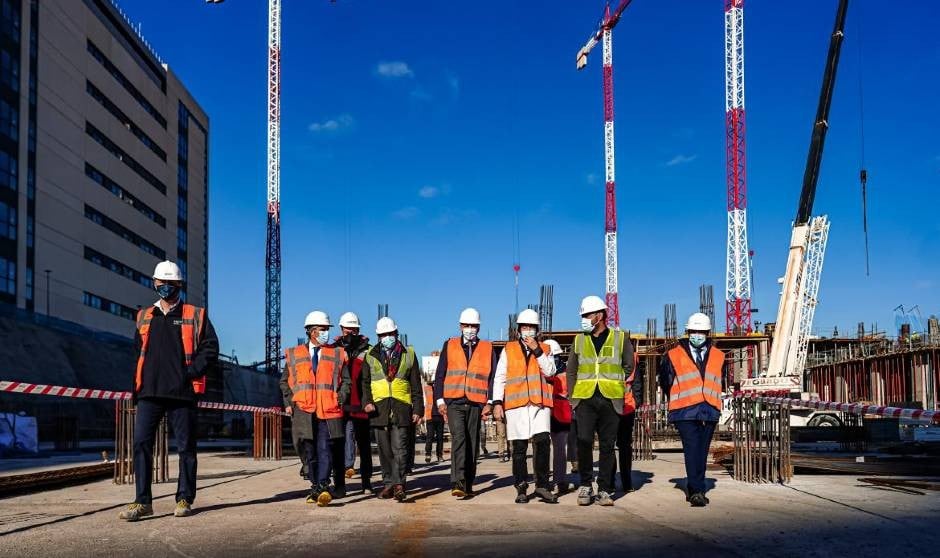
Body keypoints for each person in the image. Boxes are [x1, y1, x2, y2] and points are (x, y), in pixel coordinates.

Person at [119, 261, 219, 522]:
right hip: (149, 392)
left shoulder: (195, 314)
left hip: (182, 393)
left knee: (186, 447)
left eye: (171, 284)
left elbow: (210, 349)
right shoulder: (144, 316)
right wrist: (136, 390)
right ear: (154, 283)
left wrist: (190, 374)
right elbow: (136, 355)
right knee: (141, 444)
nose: (165, 288)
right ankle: (142, 502)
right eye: (161, 283)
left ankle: (184, 497)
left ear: (179, 286)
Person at [566, 295, 634, 507]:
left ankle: (604, 488)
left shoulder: (620, 338)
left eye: (587, 315)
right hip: (585, 398)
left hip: (610, 398)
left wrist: (616, 385)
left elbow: (628, 365)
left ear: (600, 315)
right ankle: (586, 484)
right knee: (584, 441)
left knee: (607, 445)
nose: (584, 319)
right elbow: (571, 371)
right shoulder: (579, 339)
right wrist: (572, 398)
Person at [279, 311, 350, 506]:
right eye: (323, 329)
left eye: (327, 329)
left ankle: (323, 486)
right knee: (307, 450)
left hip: (328, 409)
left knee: (324, 448)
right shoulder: (294, 354)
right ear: (311, 331)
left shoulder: (337, 353)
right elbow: (284, 382)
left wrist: (340, 397)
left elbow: (346, 381)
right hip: (303, 410)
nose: (326, 333)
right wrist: (289, 403)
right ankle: (315, 486)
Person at [658, 312, 726, 507]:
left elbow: (718, 381)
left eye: (701, 331)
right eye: (694, 331)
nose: (697, 335)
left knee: (702, 451)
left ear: (707, 333)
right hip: (684, 410)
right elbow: (666, 382)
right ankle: (697, 490)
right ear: (688, 332)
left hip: (710, 409)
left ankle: (695, 486)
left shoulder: (718, 356)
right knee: (692, 447)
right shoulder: (673, 355)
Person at [493, 309, 558, 504]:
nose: (527, 331)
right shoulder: (509, 349)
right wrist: (497, 402)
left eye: (531, 327)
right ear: (519, 329)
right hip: (516, 405)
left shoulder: (545, 349)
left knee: (542, 444)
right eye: (524, 327)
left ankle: (542, 486)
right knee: (519, 448)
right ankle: (521, 487)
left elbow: (550, 372)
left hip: (539, 405)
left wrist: (537, 351)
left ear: (537, 330)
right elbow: (500, 377)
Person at [433, 307, 495, 498]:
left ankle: (468, 482)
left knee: (472, 443)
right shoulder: (449, 345)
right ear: (460, 326)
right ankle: (458, 481)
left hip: (476, 403)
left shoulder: (487, 348)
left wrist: (490, 401)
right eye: (467, 325)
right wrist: (440, 400)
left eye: (474, 325)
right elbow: (440, 374)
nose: (470, 328)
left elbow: (492, 377)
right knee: (459, 439)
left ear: (479, 327)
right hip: (454, 402)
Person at [361, 317, 424, 502]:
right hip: (379, 408)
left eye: (390, 334)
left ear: (396, 333)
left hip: (401, 407)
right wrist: (367, 402)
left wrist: (418, 409)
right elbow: (364, 383)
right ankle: (388, 483)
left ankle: (399, 485)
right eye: (383, 334)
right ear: (378, 336)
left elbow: (416, 385)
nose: (387, 337)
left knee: (400, 448)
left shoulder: (409, 354)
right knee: (384, 450)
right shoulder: (370, 355)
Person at [336, 311, 374, 494]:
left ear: (358, 330)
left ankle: (366, 483)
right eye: (347, 330)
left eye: (354, 330)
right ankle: (340, 485)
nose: (350, 334)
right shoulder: (333, 349)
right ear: (341, 329)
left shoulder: (368, 350)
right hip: (339, 407)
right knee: (337, 446)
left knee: (365, 447)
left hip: (361, 406)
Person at [545, 339, 573, 494]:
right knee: (543, 448)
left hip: (560, 415)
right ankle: (543, 481)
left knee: (560, 449)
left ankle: (559, 480)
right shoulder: (541, 372)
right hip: (544, 413)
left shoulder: (566, 373)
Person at [616, 349, 642, 494]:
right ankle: (609, 481)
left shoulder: (632, 357)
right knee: (608, 446)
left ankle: (626, 481)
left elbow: (637, 381)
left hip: (627, 407)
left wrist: (636, 401)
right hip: (608, 408)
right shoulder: (605, 354)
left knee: (625, 446)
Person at [424, 381, 444, 463]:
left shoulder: (441, 387)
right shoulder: (426, 388)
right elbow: (424, 401)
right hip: (430, 416)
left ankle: (439, 455)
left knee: (440, 438)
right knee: (430, 437)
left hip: (440, 415)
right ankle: (428, 454)